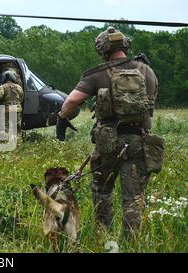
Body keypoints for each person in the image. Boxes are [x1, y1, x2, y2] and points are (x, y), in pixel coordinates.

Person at [56, 26, 163, 237]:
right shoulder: (147, 72)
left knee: (102, 192)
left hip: (108, 145)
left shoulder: (97, 74)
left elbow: (71, 101)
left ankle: (104, 236)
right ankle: (132, 242)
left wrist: (62, 118)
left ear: (102, 50)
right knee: (133, 198)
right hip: (140, 143)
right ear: (125, 45)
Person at [0, 71, 24, 140]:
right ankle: (17, 141)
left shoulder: (3, 87)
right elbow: (22, 97)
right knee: (16, 126)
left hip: (7, 110)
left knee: (7, 126)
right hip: (17, 109)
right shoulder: (18, 87)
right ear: (13, 78)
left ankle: (7, 140)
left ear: (4, 79)